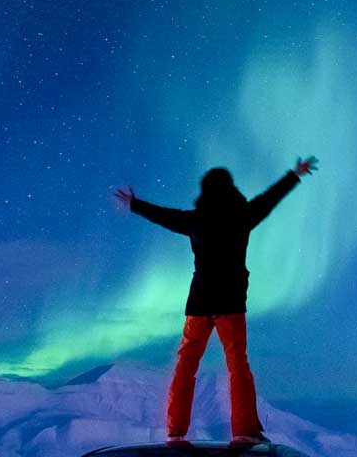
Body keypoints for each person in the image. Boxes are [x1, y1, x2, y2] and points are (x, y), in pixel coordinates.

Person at [114, 156, 319, 444]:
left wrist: (135, 204)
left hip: (198, 303)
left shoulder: (194, 220)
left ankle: (176, 432)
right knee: (237, 365)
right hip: (230, 302)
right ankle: (245, 432)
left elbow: (165, 216)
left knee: (186, 363)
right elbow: (269, 199)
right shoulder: (243, 216)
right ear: (231, 189)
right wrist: (294, 175)